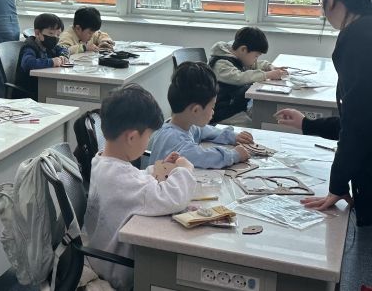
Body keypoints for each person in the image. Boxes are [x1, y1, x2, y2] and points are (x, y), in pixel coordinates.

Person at [275, 0, 372, 289]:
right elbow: (360, 115)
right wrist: (307, 124)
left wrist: (336, 185)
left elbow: (358, 125)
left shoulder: (357, 38)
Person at [84, 84, 196, 290]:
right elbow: (172, 197)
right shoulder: (123, 180)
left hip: (100, 259)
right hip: (119, 273)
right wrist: (184, 171)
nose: (147, 143)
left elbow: (133, 179)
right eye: (148, 137)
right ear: (132, 137)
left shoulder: (101, 161)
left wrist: (159, 169)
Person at [142, 62, 252, 170]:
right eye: (212, 107)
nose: (213, 112)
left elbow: (205, 130)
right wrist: (235, 155)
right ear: (196, 110)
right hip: (162, 182)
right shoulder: (173, 138)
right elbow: (204, 157)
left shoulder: (183, 124)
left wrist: (232, 136)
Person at [209, 26, 287, 123]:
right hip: (222, 113)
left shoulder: (237, 56)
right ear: (243, 49)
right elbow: (240, 77)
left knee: (262, 116)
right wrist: (267, 75)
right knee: (257, 124)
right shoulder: (221, 64)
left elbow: (253, 64)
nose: (256, 59)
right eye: (256, 56)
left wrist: (270, 67)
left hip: (236, 107)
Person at [15, 13, 68, 100]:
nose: (55, 38)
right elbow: (28, 63)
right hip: (29, 93)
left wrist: (63, 56)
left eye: (58, 35)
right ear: (37, 33)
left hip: (44, 86)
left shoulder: (50, 47)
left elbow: (64, 49)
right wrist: (51, 62)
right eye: (51, 33)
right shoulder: (30, 47)